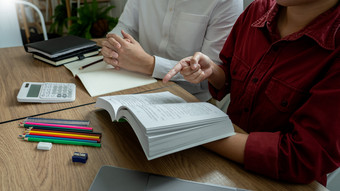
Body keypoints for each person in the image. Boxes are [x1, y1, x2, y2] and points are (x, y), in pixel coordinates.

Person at [163, 0, 340, 186]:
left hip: (281, 183)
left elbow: (301, 157)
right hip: (223, 161)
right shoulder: (258, 9)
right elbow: (231, 76)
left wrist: (198, 133)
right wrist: (212, 71)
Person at [101, 0, 243, 101]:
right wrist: (115, 46)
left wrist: (149, 64)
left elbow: (213, 77)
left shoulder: (227, 2)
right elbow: (126, 27)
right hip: (135, 84)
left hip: (190, 100)